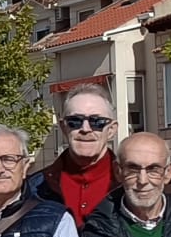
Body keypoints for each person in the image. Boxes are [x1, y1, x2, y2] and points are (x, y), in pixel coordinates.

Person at [32, 84, 120, 223]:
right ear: (63, 127)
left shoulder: (129, 184)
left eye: (97, 122)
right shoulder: (35, 188)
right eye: (75, 121)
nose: (85, 129)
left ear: (111, 130)